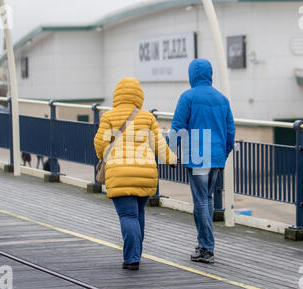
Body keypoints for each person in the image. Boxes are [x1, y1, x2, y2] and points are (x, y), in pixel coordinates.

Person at [94, 77, 177, 271]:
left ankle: (132, 259)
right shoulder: (147, 117)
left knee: (128, 216)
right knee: (138, 214)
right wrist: (172, 159)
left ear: (117, 95)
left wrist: (105, 154)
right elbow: (159, 144)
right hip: (145, 172)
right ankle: (135, 254)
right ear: (139, 95)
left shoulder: (108, 117)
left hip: (119, 172)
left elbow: (99, 144)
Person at [171, 58, 236, 264]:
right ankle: (204, 244)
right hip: (215, 157)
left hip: (197, 157)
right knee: (207, 199)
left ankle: (207, 249)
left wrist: (171, 154)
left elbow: (177, 127)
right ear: (210, 74)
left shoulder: (187, 97)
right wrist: (222, 155)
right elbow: (230, 132)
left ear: (192, 75)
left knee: (200, 201)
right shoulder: (222, 99)